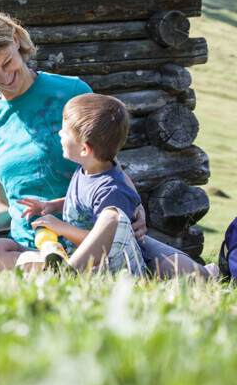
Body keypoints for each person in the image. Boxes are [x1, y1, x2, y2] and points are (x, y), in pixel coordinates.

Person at [0, 8, 147, 271]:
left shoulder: (72, 92)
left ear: (16, 41)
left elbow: (106, 163)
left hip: (89, 238)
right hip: (32, 245)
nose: (5, 78)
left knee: (176, 268)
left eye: (7, 62)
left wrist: (134, 203)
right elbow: (5, 207)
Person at [27, 94, 219, 277]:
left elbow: (102, 242)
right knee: (171, 265)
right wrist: (51, 206)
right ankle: (207, 273)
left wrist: (62, 228)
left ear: (85, 149)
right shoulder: (87, 170)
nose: (59, 134)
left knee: (177, 269)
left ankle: (68, 274)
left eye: (65, 131)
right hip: (101, 259)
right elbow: (79, 203)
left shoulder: (111, 191)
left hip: (118, 264)